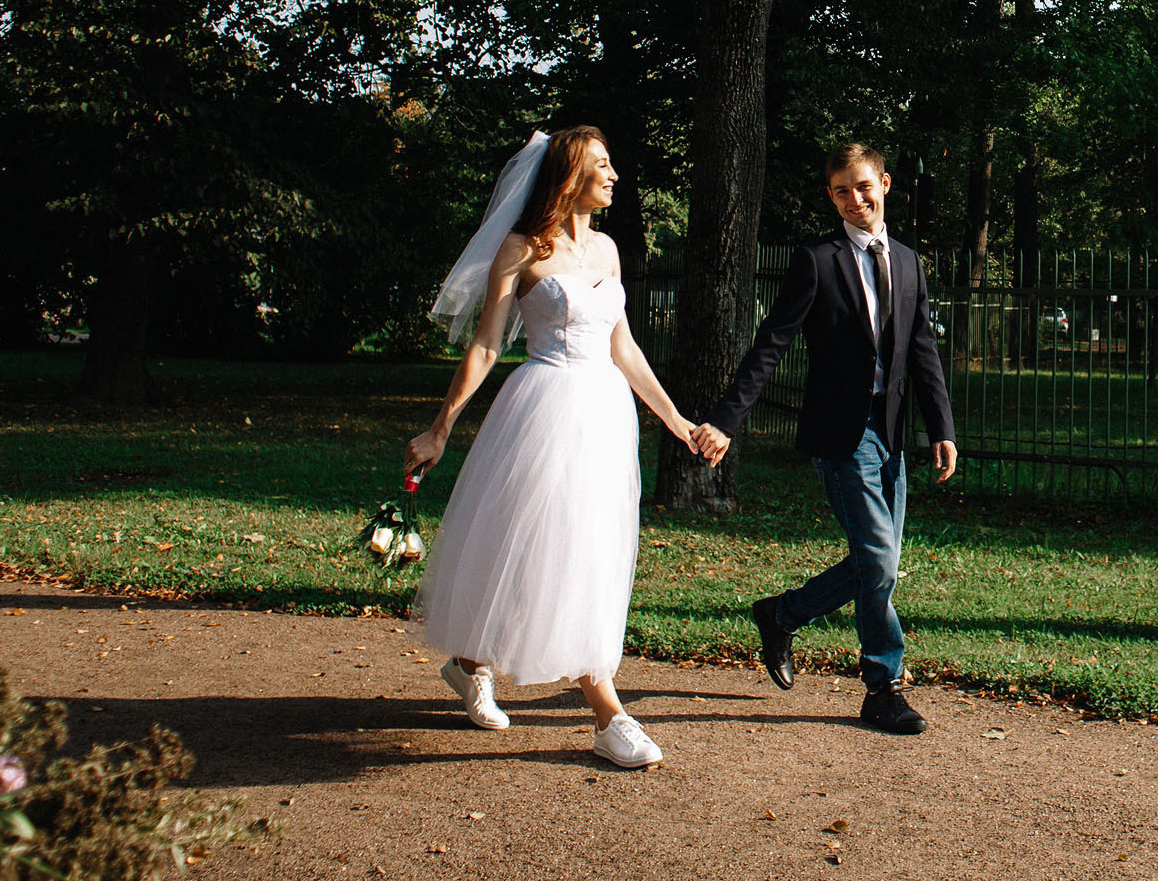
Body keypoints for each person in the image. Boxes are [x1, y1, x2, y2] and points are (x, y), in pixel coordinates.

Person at [404, 127, 703, 769]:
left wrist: (677, 422)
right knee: (538, 547)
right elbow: (486, 345)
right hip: (542, 409)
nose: (615, 175)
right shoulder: (521, 248)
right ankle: (608, 715)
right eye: (602, 164)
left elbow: (624, 349)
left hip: (604, 417)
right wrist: (440, 428)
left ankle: (468, 663)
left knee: (584, 552)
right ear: (570, 177)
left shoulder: (609, 250)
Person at [693, 142, 957, 735]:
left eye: (864, 186)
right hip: (841, 434)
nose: (855, 198)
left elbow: (922, 350)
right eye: (841, 190)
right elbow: (771, 343)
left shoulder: (910, 262)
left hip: (890, 433)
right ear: (831, 196)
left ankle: (783, 614)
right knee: (880, 559)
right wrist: (726, 421)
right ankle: (884, 685)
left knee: (875, 561)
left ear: (885, 184)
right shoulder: (817, 259)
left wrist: (941, 427)